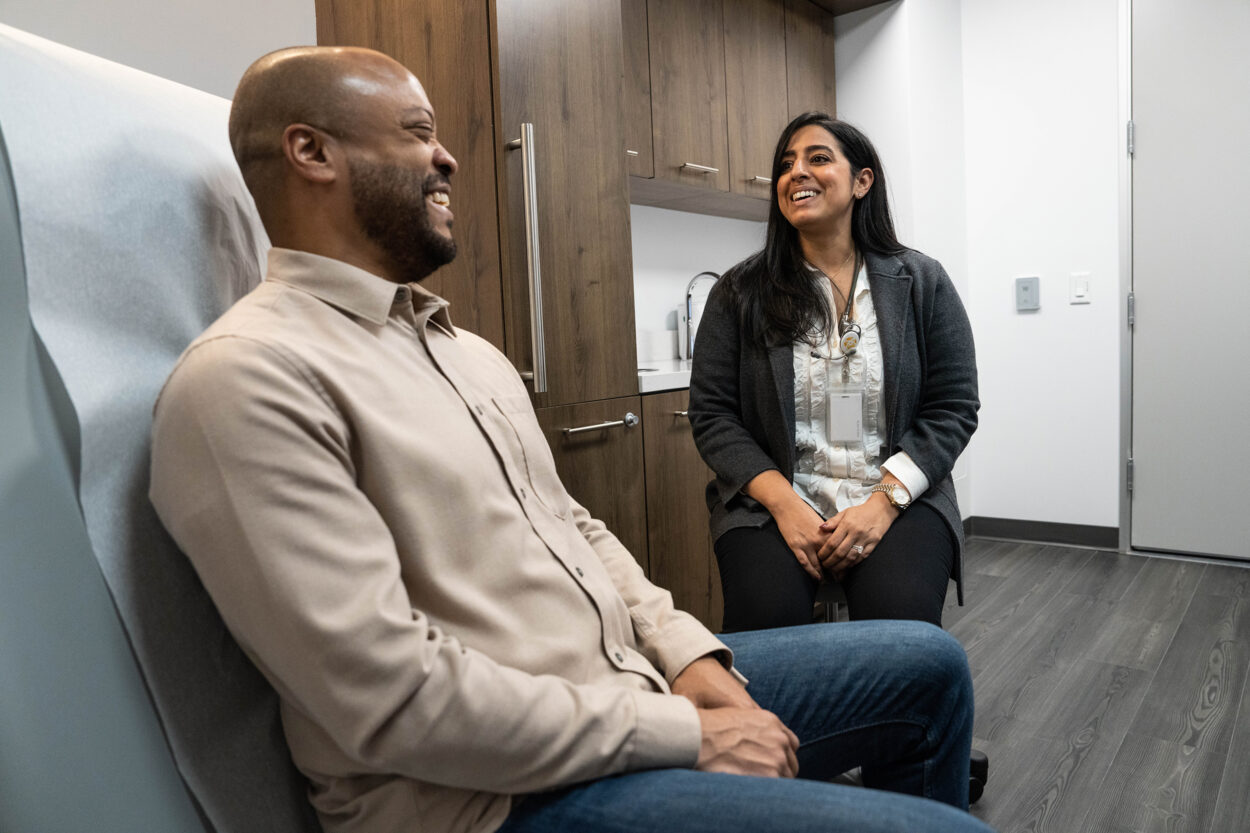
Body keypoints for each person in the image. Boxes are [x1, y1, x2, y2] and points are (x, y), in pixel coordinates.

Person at [148, 48, 993, 833]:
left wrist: (688, 655)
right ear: (311, 152)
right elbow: (389, 699)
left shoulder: (460, 351)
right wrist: (678, 727)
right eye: (418, 133)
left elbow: (575, 528)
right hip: (494, 792)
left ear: (863, 182)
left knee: (928, 661)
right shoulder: (250, 379)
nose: (447, 156)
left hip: (623, 680)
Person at [689, 113, 979, 633]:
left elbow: (954, 406)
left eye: (817, 159)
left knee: (900, 635)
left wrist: (885, 503)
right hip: (774, 502)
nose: (796, 172)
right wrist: (785, 504)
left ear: (862, 181)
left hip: (896, 498)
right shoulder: (737, 293)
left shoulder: (921, 281)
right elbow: (713, 417)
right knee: (765, 625)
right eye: (786, 164)